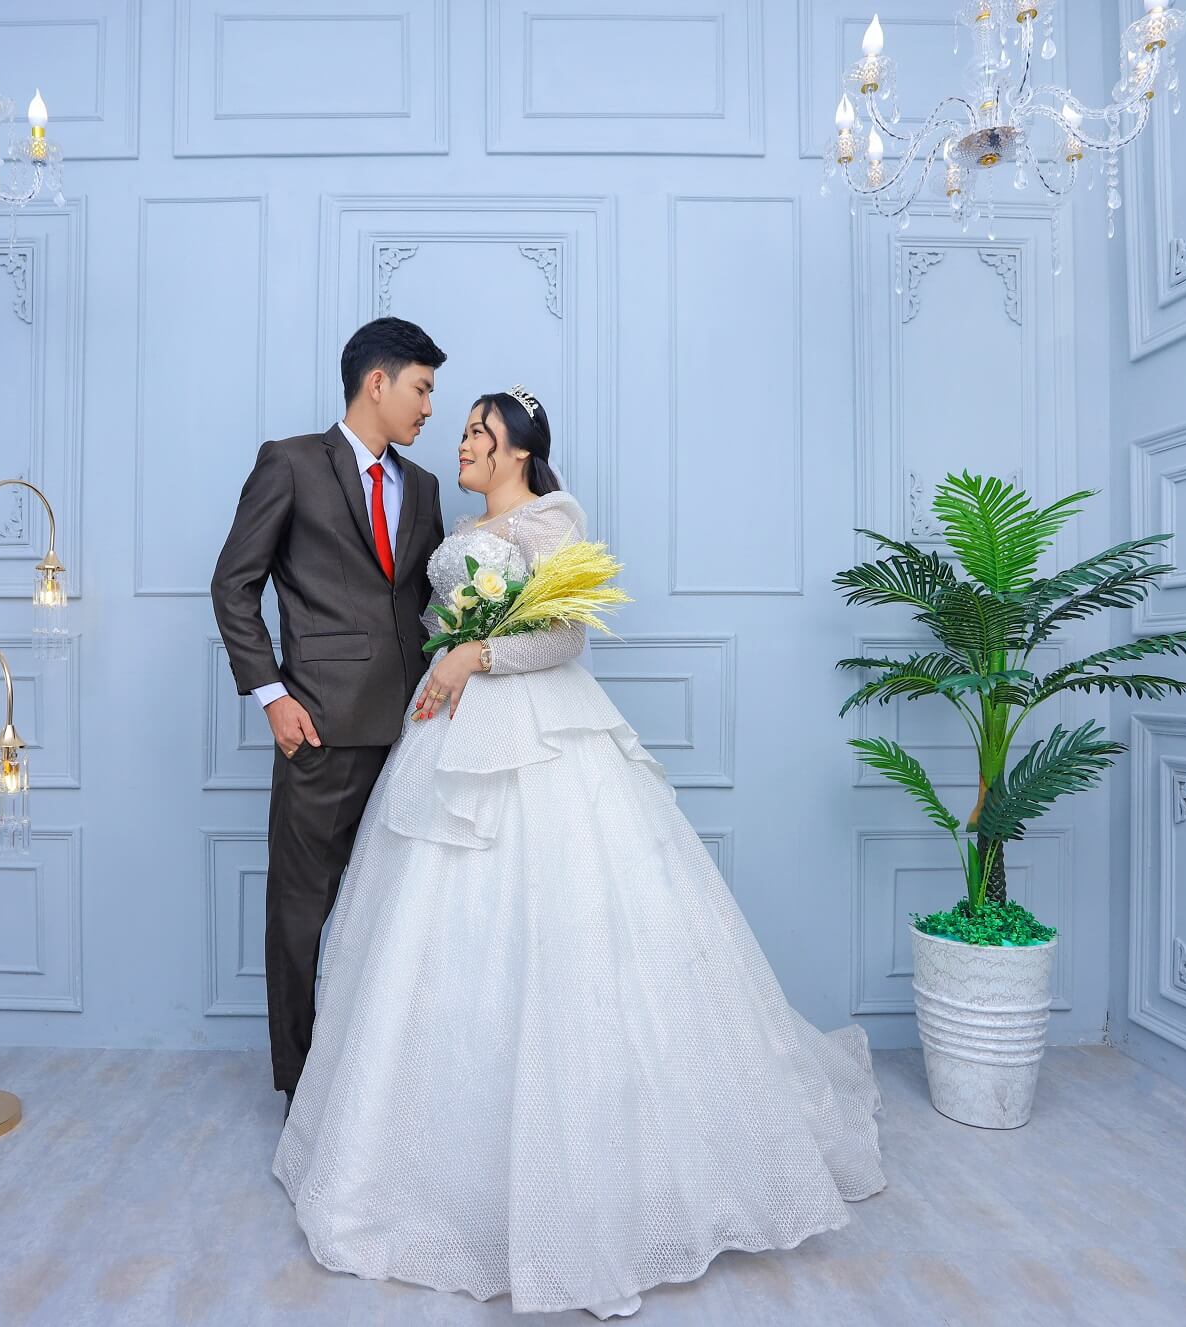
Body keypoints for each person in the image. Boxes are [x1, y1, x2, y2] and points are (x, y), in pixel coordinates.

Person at [272, 386, 887, 1318]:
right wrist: (450, 649)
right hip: (449, 732)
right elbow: (437, 620)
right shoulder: (459, 522)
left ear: (519, 450)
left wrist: (475, 655)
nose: (461, 441)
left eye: (479, 432)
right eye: (461, 427)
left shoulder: (551, 520)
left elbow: (561, 634)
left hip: (540, 730)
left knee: (568, 923)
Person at [211, 316, 448, 1113]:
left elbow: (423, 603)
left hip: (413, 731)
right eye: (421, 389)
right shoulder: (289, 463)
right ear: (377, 382)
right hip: (320, 729)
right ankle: (300, 1086)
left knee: (397, 910)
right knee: (299, 910)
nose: (428, 408)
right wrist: (272, 696)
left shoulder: (424, 487)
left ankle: (381, 1076)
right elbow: (233, 585)